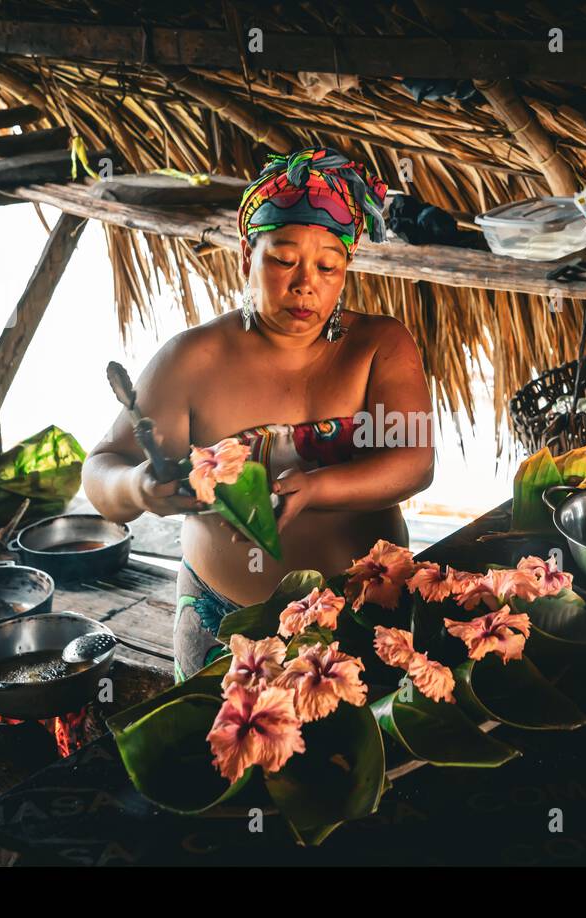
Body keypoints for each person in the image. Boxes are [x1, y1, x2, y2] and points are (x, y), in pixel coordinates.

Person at [83, 147, 434, 681]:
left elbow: (415, 464)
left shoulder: (378, 347)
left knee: (353, 757)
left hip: (363, 615)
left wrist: (319, 487)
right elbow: (102, 467)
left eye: (327, 266)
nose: (304, 284)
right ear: (248, 250)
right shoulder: (192, 358)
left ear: (347, 268)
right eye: (283, 259)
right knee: (221, 756)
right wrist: (136, 487)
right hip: (223, 621)